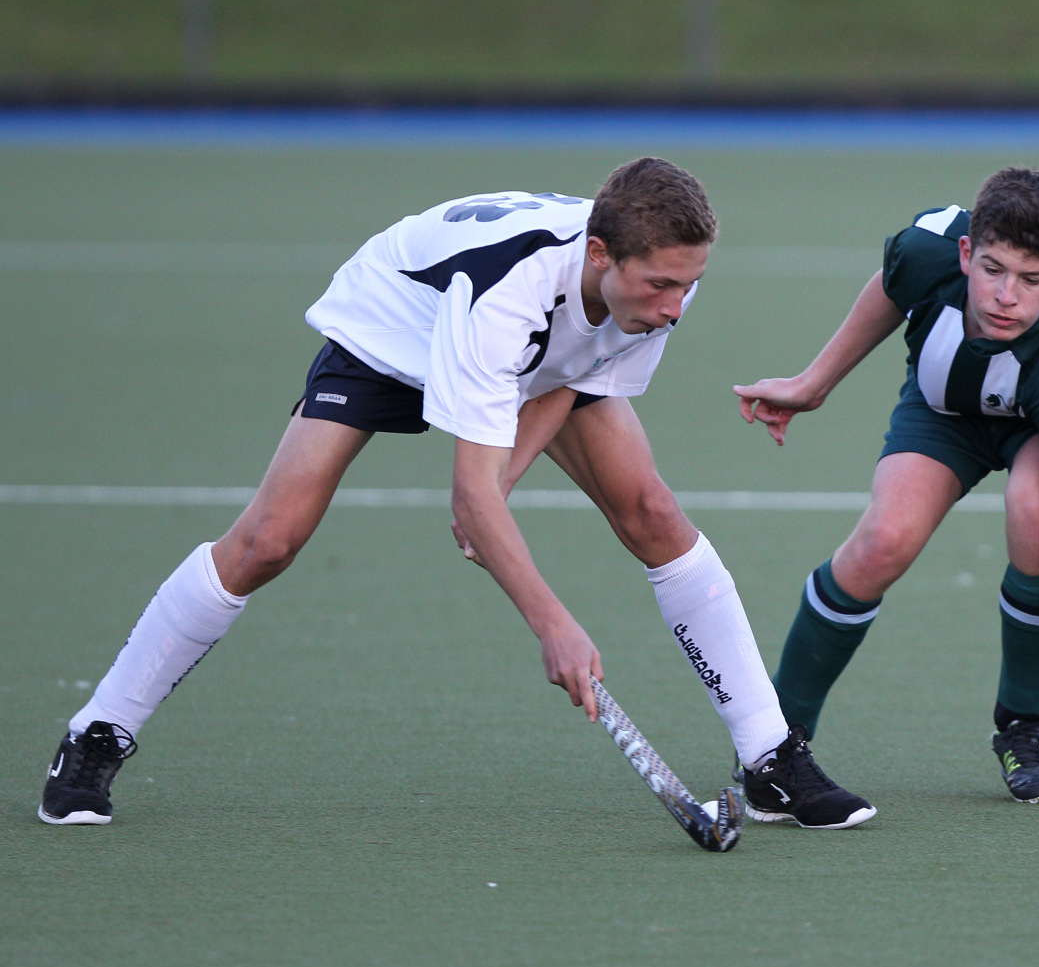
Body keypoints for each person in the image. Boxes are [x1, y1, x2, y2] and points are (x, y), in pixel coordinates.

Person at [39, 157, 874, 831]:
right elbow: (469, 495)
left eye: (688, 285)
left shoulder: (654, 281)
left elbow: (569, 371)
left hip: (532, 350)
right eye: (661, 286)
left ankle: (769, 757)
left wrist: (502, 485)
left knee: (651, 512)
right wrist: (553, 623)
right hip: (397, 328)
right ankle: (98, 731)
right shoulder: (509, 292)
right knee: (269, 540)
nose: (676, 307)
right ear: (600, 256)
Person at [734, 167, 1039, 805]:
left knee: (1036, 513)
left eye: (1032, 279)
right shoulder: (927, 246)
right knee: (883, 540)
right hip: (951, 401)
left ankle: (1024, 726)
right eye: (992, 270)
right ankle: (774, 742)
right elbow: (892, 286)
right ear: (964, 253)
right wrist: (813, 384)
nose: (1005, 296)